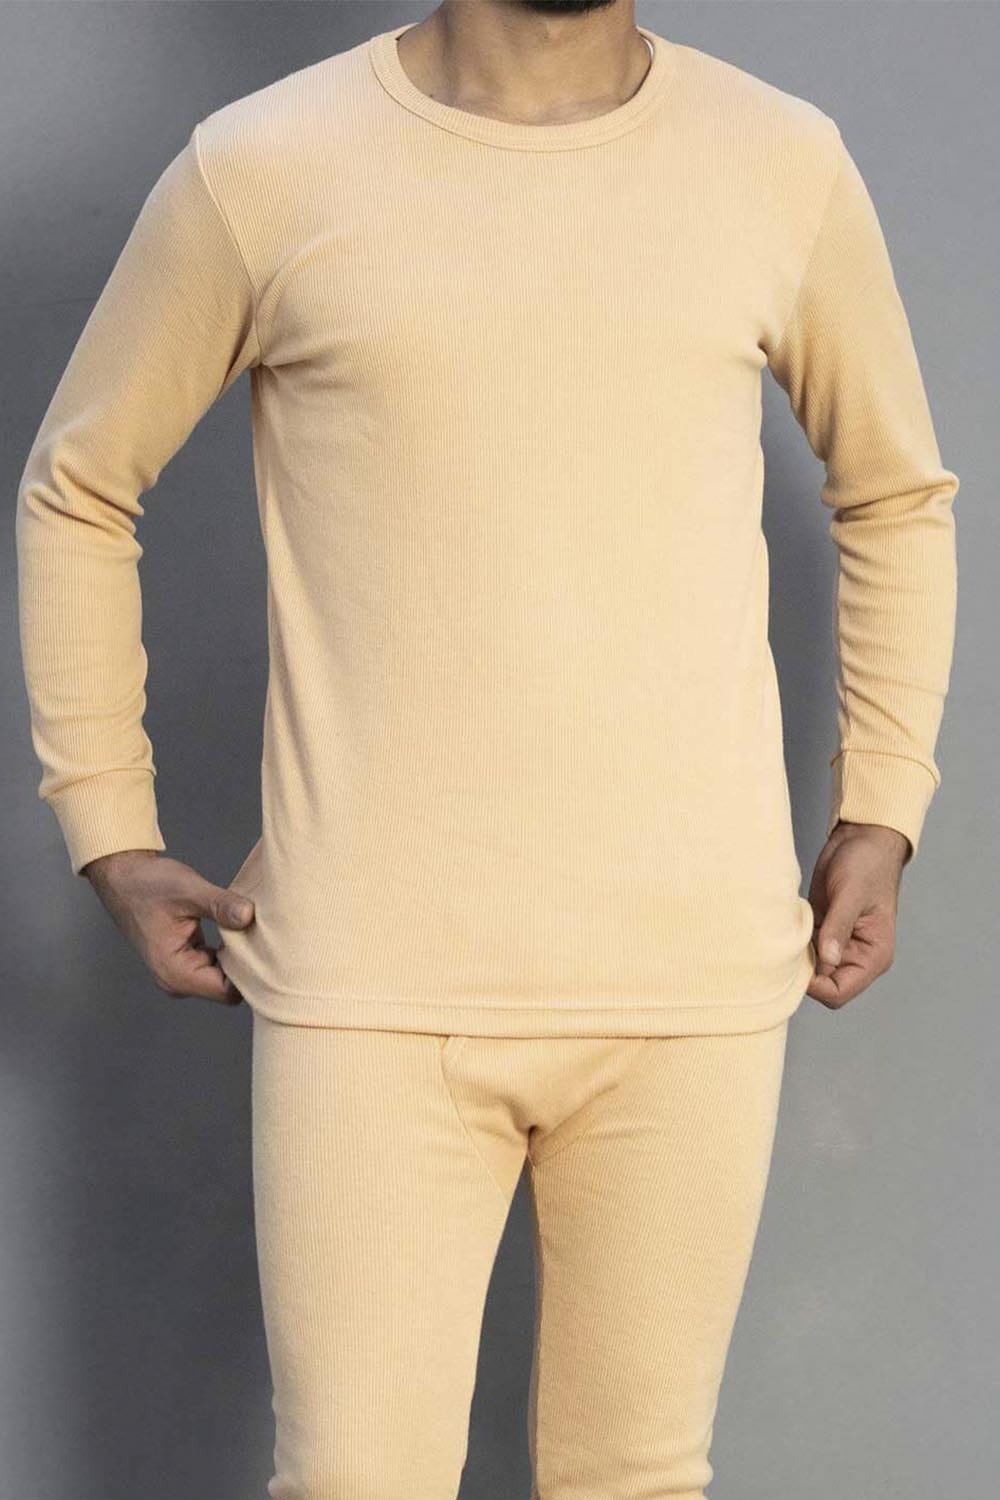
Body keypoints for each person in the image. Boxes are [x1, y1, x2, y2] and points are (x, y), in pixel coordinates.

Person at [15, 1, 958, 1494]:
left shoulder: (779, 163)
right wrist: (107, 826)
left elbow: (896, 494)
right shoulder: (265, 168)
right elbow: (78, 488)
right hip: (370, 984)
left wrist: (882, 805)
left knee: (637, 1480)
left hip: (689, 980)